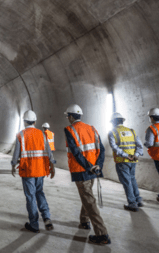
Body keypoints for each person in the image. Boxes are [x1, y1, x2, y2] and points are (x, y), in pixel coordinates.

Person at [64, 104, 111, 245]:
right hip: (94, 169)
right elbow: (101, 149)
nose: (67, 119)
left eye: (68, 116)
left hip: (82, 170)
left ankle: (102, 234)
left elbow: (76, 152)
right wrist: (98, 166)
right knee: (88, 196)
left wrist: (89, 167)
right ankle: (84, 221)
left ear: (71, 116)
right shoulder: (92, 128)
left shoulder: (70, 129)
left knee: (89, 201)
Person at [11, 110, 56, 233]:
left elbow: (16, 154)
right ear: (35, 121)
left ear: (24, 122)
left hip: (27, 170)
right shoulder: (42, 134)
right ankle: (46, 216)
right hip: (40, 170)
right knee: (39, 192)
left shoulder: (21, 135)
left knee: (30, 197)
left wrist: (13, 165)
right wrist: (52, 166)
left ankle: (34, 225)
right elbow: (49, 152)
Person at [108, 112, 144, 211]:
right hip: (133, 160)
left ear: (113, 122)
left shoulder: (113, 132)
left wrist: (125, 155)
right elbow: (140, 146)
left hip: (122, 160)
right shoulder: (131, 131)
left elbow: (114, 147)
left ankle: (132, 203)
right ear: (122, 121)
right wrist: (136, 155)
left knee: (127, 182)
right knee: (132, 179)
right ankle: (138, 200)